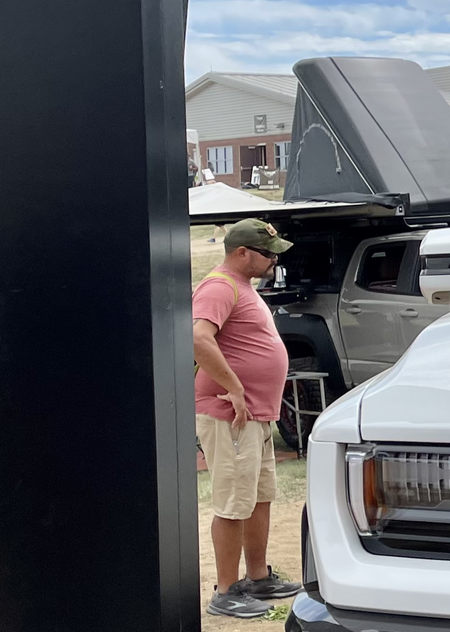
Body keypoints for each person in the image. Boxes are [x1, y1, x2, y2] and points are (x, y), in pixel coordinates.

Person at [192, 218, 302, 618]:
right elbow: (199, 337)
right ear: (241, 253)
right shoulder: (219, 286)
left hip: (256, 414)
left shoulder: (243, 288)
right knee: (234, 501)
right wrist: (235, 388)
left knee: (259, 496)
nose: (274, 260)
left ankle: (257, 577)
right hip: (230, 413)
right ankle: (225, 591)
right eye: (267, 253)